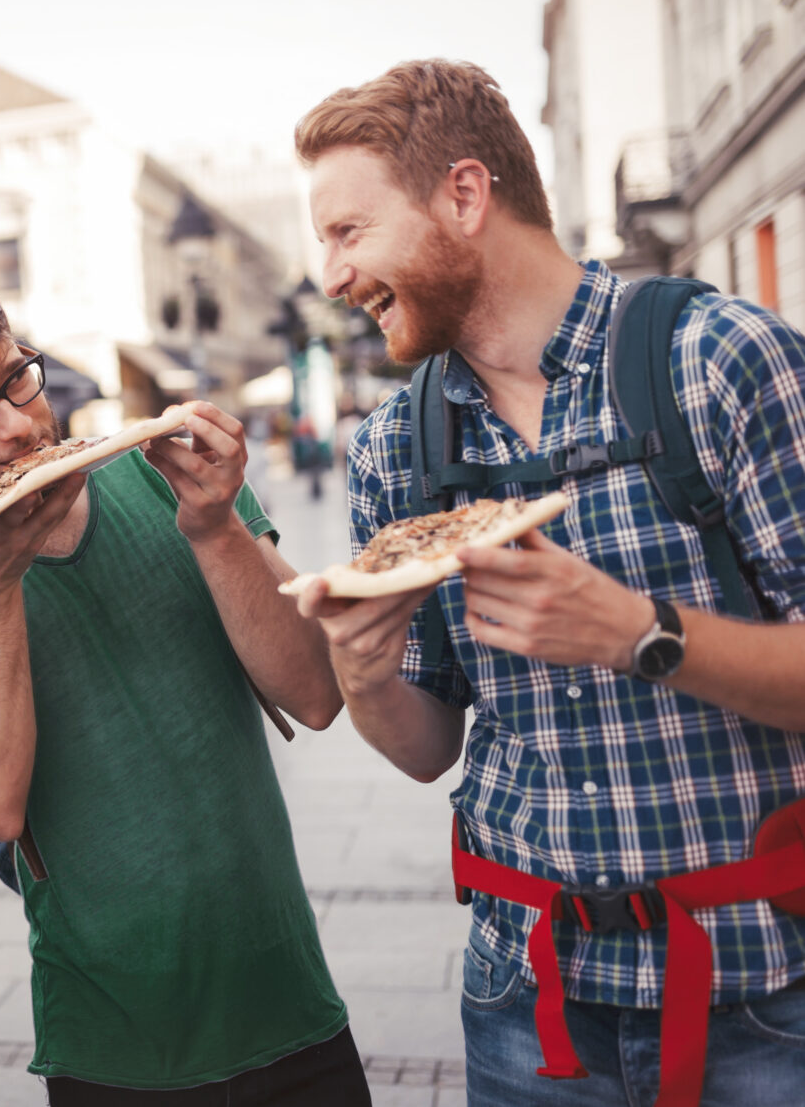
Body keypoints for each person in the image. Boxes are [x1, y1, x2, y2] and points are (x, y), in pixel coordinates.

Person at [292, 59, 805, 1106]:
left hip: (761, 986)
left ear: (465, 196)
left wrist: (640, 632)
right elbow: (430, 746)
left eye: (350, 232)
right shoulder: (398, 444)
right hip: (529, 1002)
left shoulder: (722, 361)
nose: (333, 277)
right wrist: (366, 672)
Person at [0, 271, 369, 1105]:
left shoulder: (160, 475)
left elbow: (317, 693)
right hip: (112, 1046)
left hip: (291, 1001)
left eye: (17, 379)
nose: (17, 424)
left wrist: (216, 526)